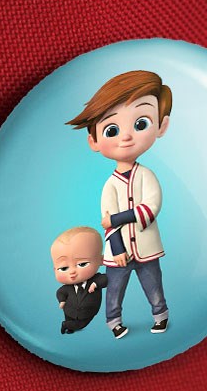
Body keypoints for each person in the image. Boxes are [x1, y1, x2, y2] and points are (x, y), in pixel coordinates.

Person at [67, 70, 172, 338]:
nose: (125, 137)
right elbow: (107, 222)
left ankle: (160, 316)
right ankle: (114, 322)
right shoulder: (110, 185)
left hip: (146, 247)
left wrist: (117, 219)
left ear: (161, 126)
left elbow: (150, 207)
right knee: (114, 290)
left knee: (153, 284)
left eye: (140, 123)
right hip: (118, 253)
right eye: (112, 130)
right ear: (94, 141)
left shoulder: (146, 176)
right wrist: (117, 247)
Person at [51, 227, 107, 334]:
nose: (72, 272)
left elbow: (106, 279)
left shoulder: (96, 279)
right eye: (64, 268)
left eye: (82, 264)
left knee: (82, 324)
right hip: (69, 309)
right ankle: (69, 327)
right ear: (55, 269)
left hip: (88, 312)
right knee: (70, 319)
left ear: (101, 260)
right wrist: (62, 301)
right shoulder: (67, 288)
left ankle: (66, 325)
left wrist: (95, 284)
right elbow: (60, 292)